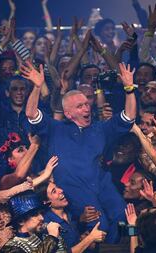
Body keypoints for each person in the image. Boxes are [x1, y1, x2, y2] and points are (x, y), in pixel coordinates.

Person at [23, 61, 136, 243]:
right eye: (80, 106)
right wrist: (37, 87)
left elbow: (129, 117)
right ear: (68, 114)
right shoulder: (55, 128)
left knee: (124, 218)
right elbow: (31, 113)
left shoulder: (101, 128)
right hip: (75, 188)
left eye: (86, 104)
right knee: (100, 225)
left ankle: (130, 246)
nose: (86, 108)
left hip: (102, 183)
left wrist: (129, 89)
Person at [36, 181, 107, 252]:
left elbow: (75, 237)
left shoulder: (69, 212)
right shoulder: (47, 224)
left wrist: (84, 237)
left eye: (57, 187)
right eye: (54, 191)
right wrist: (90, 238)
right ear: (46, 202)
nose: (61, 190)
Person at [1, 190, 67, 253]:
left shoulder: (45, 237)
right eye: (35, 214)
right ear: (21, 221)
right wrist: (52, 237)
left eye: (41, 213)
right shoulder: (10, 247)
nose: (42, 218)